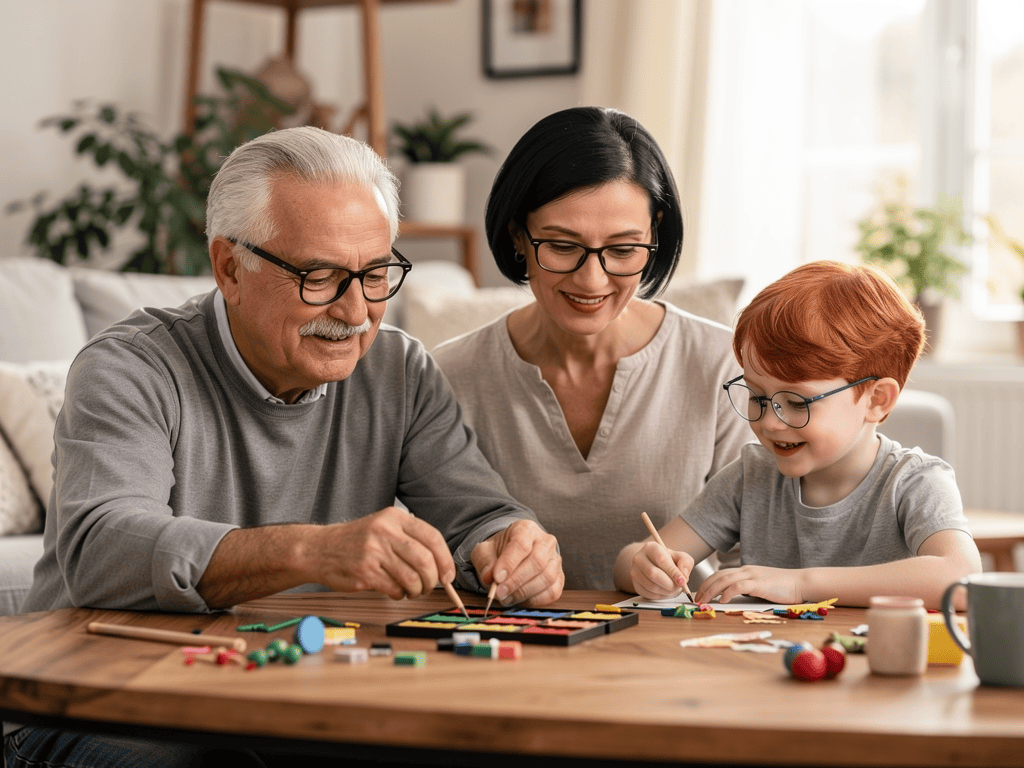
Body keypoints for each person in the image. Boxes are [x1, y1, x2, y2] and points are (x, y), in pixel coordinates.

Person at [6, 126, 563, 768]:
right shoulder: (129, 368)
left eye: (377, 273)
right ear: (229, 268)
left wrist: (511, 543)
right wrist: (312, 550)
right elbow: (102, 550)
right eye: (320, 276)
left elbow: (478, 513)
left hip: (289, 687)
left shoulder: (399, 371)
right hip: (103, 696)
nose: (356, 312)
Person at [433, 107, 751, 590]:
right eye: (562, 246)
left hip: (676, 649)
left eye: (623, 250)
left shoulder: (718, 364)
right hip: (507, 648)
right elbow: (434, 551)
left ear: (655, 234)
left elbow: (758, 550)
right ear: (519, 234)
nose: (592, 280)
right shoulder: (452, 375)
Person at [614, 261, 982, 609]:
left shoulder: (914, 482)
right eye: (758, 396)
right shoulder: (750, 477)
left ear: (877, 400)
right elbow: (630, 562)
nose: (771, 422)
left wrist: (799, 585)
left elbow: (962, 579)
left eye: (797, 402)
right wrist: (644, 568)